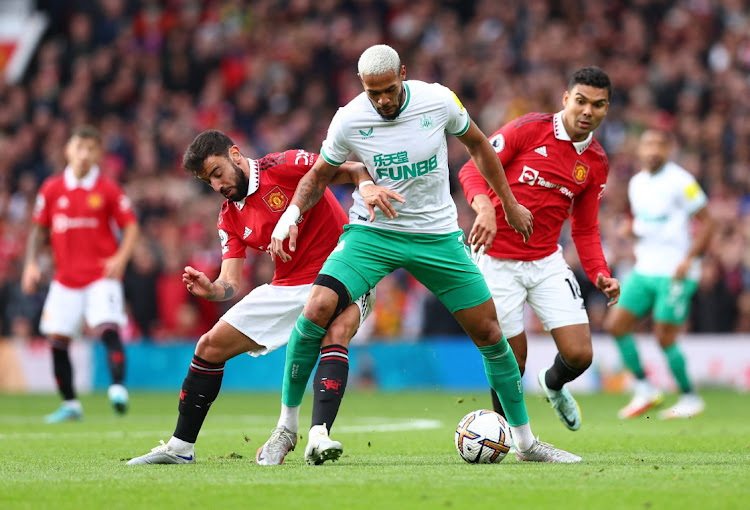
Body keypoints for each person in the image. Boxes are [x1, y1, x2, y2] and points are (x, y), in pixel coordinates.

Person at [268, 44, 582, 464]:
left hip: (436, 236)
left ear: (403, 73)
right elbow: (319, 175)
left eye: (389, 90)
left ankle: (526, 444)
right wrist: (289, 215)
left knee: (491, 333)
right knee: (317, 306)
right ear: (363, 86)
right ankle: (286, 430)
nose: (382, 100)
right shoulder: (349, 118)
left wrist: (506, 201)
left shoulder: (438, 100)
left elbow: (479, 146)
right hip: (373, 232)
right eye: (373, 92)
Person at [126, 129, 399, 465]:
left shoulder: (286, 165)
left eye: (217, 173)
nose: (216, 186)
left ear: (235, 155)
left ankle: (318, 435)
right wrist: (212, 289)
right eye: (207, 182)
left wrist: (366, 187)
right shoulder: (229, 215)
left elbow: (353, 169)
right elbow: (230, 281)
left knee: (336, 331)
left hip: (344, 271)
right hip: (287, 287)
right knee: (208, 346)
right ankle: (181, 447)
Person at [458, 67, 620, 432]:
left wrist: (601, 272)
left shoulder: (595, 162)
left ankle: (553, 385)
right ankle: (504, 435)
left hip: (546, 260)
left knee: (580, 354)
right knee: (512, 362)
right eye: (580, 101)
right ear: (566, 99)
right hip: (496, 259)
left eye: (598, 104)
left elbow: (585, 227)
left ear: (606, 109)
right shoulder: (528, 129)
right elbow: (471, 170)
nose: (587, 111)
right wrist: (486, 209)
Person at [21, 125, 140, 423]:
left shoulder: (108, 188)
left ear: (98, 153)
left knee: (108, 328)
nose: (84, 154)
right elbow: (39, 228)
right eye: (79, 147)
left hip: (102, 276)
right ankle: (71, 404)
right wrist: (31, 264)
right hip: (65, 280)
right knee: (57, 340)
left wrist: (121, 258)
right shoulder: (52, 188)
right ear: (68, 150)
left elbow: (131, 225)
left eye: (90, 148)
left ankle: (117, 388)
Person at [604, 128, 714, 420]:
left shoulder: (682, 181)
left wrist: (689, 259)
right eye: (648, 145)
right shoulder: (637, 183)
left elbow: (709, 222)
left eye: (659, 145)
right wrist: (632, 230)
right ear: (640, 150)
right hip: (645, 268)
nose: (653, 150)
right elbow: (645, 222)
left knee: (663, 335)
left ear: (668, 150)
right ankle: (644, 389)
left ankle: (690, 397)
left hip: (675, 270)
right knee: (616, 325)